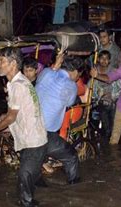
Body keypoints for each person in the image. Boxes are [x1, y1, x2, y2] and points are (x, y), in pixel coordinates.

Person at [0, 47, 47, 207]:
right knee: (30, 176)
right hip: (34, 137)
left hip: (33, 140)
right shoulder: (18, 82)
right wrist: (3, 123)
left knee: (24, 187)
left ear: (13, 64)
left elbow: (12, 116)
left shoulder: (18, 85)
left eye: (1, 61)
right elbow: (18, 112)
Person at [36, 54, 81, 184]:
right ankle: (75, 187)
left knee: (33, 163)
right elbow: (69, 103)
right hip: (44, 133)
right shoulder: (70, 85)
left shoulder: (45, 72)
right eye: (78, 74)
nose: (78, 78)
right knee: (71, 157)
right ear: (74, 71)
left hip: (28, 128)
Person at [92, 50, 121, 138]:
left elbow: (118, 87)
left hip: (113, 98)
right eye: (102, 58)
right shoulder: (95, 70)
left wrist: (111, 96)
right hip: (100, 98)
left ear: (109, 61)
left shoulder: (114, 70)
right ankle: (107, 132)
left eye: (106, 59)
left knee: (112, 108)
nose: (104, 61)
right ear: (98, 59)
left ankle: (112, 133)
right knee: (103, 107)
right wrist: (99, 96)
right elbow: (92, 86)